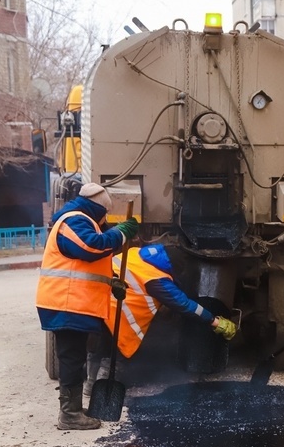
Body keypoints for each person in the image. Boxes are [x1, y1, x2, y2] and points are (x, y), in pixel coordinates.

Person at [36, 183, 139, 430]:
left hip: (72, 303)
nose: (105, 221)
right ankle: (69, 415)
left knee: (75, 357)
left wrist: (111, 281)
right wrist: (122, 233)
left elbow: (82, 267)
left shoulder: (80, 220)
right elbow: (90, 247)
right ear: (99, 209)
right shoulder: (73, 220)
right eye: (105, 215)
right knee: (71, 357)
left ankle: (71, 408)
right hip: (65, 302)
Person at [94, 242, 236, 370]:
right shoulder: (157, 280)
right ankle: (105, 389)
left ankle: (89, 390)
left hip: (94, 303)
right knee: (112, 359)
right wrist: (214, 321)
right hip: (115, 315)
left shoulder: (136, 253)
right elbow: (185, 305)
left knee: (95, 351)